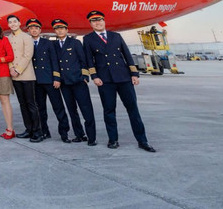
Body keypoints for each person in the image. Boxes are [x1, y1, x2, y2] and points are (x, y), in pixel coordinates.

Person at [83, 10, 155, 152]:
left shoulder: (116, 36)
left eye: (99, 20)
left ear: (104, 21)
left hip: (124, 78)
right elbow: (88, 60)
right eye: (94, 21)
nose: (97, 23)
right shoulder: (88, 39)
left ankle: (142, 140)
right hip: (105, 80)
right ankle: (113, 139)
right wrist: (94, 76)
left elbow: (127, 55)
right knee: (109, 111)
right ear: (90, 24)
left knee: (133, 109)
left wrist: (134, 73)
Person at [52, 19, 96, 145]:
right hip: (65, 83)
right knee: (72, 111)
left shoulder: (75, 43)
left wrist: (85, 76)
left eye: (62, 28)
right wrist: (57, 78)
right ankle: (79, 134)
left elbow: (83, 60)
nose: (59, 30)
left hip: (78, 81)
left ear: (67, 30)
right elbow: (55, 63)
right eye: (57, 29)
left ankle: (91, 137)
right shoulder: (54, 45)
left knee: (86, 109)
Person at [27, 18, 70, 143]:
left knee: (58, 107)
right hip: (36, 81)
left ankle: (64, 133)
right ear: (28, 30)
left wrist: (57, 78)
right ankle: (44, 131)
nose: (34, 30)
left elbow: (54, 61)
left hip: (50, 80)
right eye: (31, 28)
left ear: (40, 30)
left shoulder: (48, 43)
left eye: (36, 28)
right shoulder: (28, 43)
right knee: (41, 109)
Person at [7, 14, 41, 142]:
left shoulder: (26, 37)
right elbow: (8, 54)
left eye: (15, 21)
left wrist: (17, 69)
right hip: (15, 77)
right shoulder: (8, 38)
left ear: (19, 23)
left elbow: (28, 55)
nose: (13, 24)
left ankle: (37, 131)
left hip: (26, 75)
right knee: (22, 104)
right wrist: (11, 68)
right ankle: (29, 129)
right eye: (10, 22)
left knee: (31, 104)